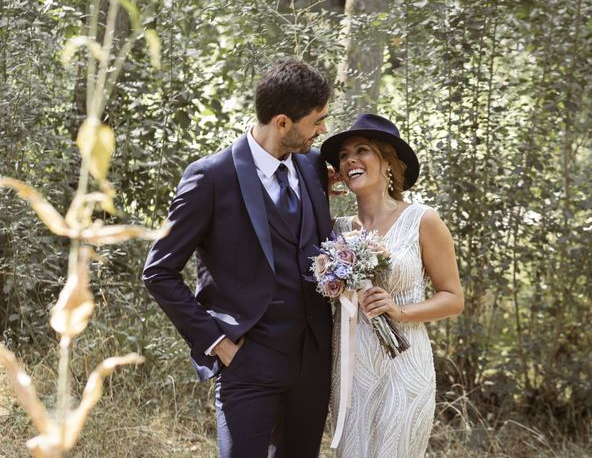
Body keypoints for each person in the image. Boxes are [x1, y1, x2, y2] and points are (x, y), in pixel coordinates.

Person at [142, 58, 334, 458]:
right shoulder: (210, 177)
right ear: (283, 122)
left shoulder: (313, 166)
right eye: (317, 121)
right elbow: (159, 272)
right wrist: (217, 342)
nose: (323, 130)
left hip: (312, 365)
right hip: (246, 363)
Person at [320, 113, 465, 457]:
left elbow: (453, 298)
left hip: (404, 366)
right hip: (351, 369)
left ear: (388, 163)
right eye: (343, 155)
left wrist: (399, 311)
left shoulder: (423, 220)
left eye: (362, 150)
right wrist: (316, 191)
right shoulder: (334, 229)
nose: (350, 159)